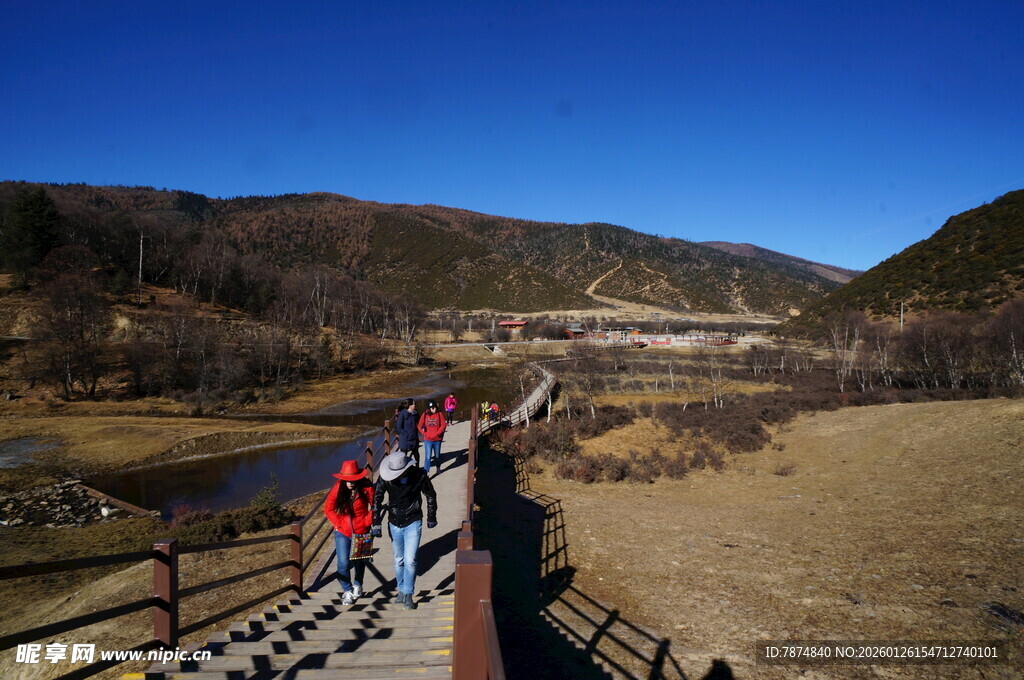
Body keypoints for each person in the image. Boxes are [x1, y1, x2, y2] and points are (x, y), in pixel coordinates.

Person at [372, 451, 438, 610]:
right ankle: (401, 589)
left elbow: (431, 495)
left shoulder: (420, 475)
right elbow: (377, 498)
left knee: (410, 560)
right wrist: (376, 522)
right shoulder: (385, 478)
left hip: (413, 520)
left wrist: (431, 516)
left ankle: (408, 593)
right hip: (394, 522)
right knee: (398, 559)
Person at [323, 460, 374, 605]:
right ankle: (347, 590)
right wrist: (338, 522)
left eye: (353, 480)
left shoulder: (366, 487)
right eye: (347, 480)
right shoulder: (338, 487)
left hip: (362, 530)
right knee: (343, 563)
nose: (350, 483)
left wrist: (366, 521)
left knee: (359, 561)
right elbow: (328, 509)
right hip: (342, 531)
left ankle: (358, 585)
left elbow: (376, 505)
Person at [418, 399, 447, 475]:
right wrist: (424, 434)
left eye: (435, 407)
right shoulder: (425, 415)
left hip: (437, 440)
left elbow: (443, 425)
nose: (434, 409)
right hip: (428, 440)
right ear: (429, 408)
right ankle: (426, 471)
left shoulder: (439, 414)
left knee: (437, 456)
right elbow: (419, 426)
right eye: (432, 408)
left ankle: (438, 468)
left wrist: (438, 433)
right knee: (428, 457)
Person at [395, 398, 420, 464]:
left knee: (416, 454)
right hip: (405, 440)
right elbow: (399, 427)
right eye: (414, 404)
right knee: (403, 457)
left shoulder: (416, 413)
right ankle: (405, 472)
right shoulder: (402, 414)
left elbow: (419, 422)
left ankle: (417, 469)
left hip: (414, 438)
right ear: (410, 405)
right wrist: (406, 435)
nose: (415, 405)